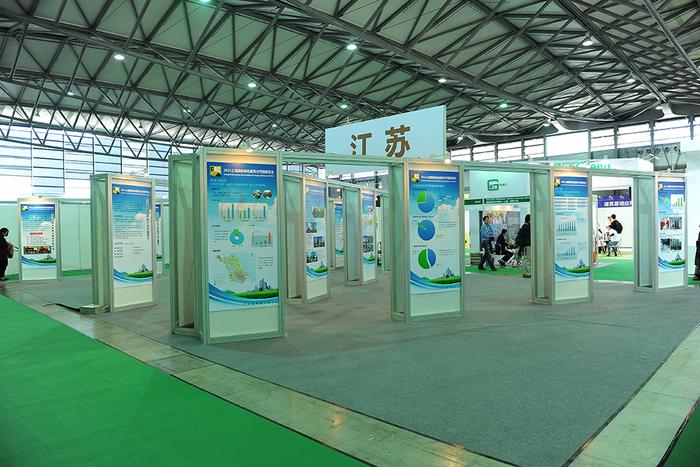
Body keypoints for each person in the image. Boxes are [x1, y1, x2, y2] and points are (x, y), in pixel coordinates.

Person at [515, 214, 531, 278]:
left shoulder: (524, 226)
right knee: (527, 259)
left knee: (527, 259)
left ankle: (527, 272)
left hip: (525, 245)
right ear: (529, 220)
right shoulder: (527, 227)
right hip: (527, 245)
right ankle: (527, 273)